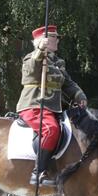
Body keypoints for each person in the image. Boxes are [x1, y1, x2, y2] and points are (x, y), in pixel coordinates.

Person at [16, 25, 87, 186]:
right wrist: (40, 50)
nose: (58, 39)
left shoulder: (58, 61)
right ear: (44, 40)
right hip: (34, 105)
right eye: (54, 37)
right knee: (51, 129)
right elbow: (31, 70)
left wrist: (79, 95)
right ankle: (39, 171)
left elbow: (68, 83)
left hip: (54, 108)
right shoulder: (31, 57)